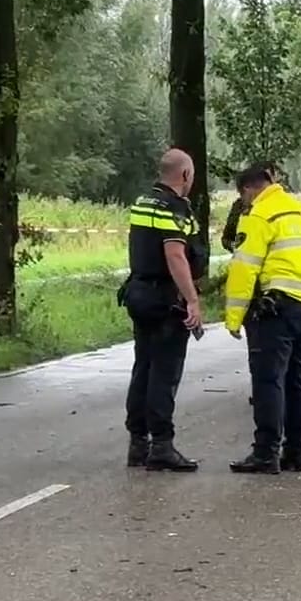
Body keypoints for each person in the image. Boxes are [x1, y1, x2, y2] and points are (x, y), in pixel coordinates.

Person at [222, 164, 301, 474]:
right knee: (299, 380)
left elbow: (244, 267)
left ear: (247, 190)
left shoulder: (259, 214)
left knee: (269, 380)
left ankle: (266, 453)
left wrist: (234, 316)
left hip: (275, 309)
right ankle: (296, 453)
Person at [121, 148, 204, 472]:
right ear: (185, 174)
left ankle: (138, 443)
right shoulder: (174, 208)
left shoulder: (143, 202)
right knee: (164, 374)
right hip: (166, 299)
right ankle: (162, 446)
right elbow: (175, 256)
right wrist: (192, 299)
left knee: (143, 367)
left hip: (139, 293)